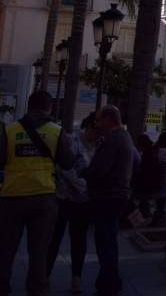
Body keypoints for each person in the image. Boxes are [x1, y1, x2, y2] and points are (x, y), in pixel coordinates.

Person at [0, 90, 72, 296]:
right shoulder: (56, 131)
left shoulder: (10, 130)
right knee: (39, 250)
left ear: (28, 107)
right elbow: (67, 163)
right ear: (49, 108)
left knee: (5, 249)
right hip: (43, 196)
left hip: (12, 196)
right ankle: (37, 289)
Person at [81, 105, 133, 296]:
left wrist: (82, 171)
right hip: (114, 196)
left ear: (108, 119)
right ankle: (111, 281)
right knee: (109, 241)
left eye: (98, 120)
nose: (96, 124)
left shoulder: (114, 140)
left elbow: (99, 171)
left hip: (108, 197)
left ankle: (108, 285)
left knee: (106, 243)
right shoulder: (122, 137)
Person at [47, 112, 99, 294]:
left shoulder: (100, 146)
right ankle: (45, 276)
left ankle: (77, 277)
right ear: (89, 127)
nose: (99, 136)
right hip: (64, 199)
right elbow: (66, 168)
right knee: (54, 239)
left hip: (83, 203)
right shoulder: (72, 141)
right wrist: (84, 187)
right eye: (97, 131)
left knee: (79, 240)